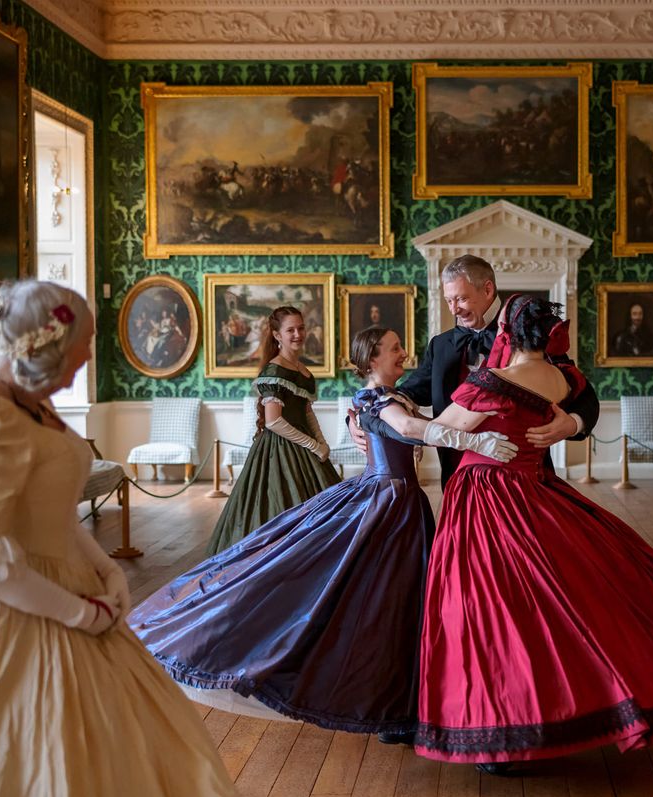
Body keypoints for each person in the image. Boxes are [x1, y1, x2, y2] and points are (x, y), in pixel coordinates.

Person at [415, 295, 653, 770]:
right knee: (555, 603)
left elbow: (436, 429)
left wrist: (378, 410)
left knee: (489, 612)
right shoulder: (561, 377)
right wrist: (567, 418)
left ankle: (502, 726)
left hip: (490, 498)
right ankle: (546, 711)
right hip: (534, 492)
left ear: (508, 333)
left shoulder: (494, 381)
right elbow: (571, 402)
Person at [130, 327, 516, 743]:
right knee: (365, 598)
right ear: (371, 360)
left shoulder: (398, 394)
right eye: (394, 349)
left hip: (406, 505)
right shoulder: (373, 398)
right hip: (383, 502)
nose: (404, 353)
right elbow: (417, 429)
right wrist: (480, 441)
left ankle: (396, 704)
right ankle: (372, 699)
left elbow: (430, 418)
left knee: (399, 604)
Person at [0, 280, 235, 797]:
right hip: (2, 613)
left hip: (65, 590)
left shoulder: (32, 403)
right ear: (44, 344)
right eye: (83, 343)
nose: (88, 354)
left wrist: (107, 570)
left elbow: (56, 515)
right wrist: (78, 613)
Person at [350, 253, 599, 487]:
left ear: (488, 289)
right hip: (455, 472)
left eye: (461, 298)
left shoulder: (526, 336)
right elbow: (402, 396)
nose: (453, 309)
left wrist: (573, 424)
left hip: (519, 475)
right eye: (448, 300)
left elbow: (583, 393)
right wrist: (357, 419)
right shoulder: (441, 345)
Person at [205, 305, 340, 555]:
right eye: (291, 330)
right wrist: (312, 445)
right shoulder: (273, 371)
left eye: (301, 328)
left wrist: (323, 443)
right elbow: (274, 422)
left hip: (305, 446)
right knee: (278, 508)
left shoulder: (304, 371)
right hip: (279, 449)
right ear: (277, 335)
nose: (298, 334)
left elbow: (307, 411)